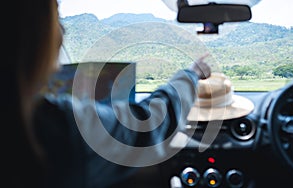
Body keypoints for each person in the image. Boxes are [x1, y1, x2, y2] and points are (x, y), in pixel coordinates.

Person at [3, 0, 211, 187]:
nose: (62, 31)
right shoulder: (58, 127)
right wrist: (190, 75)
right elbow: (151, 125)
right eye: (55, 16)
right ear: (30, 31)